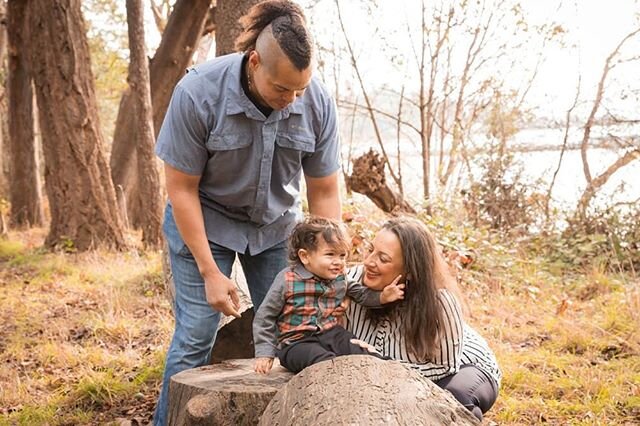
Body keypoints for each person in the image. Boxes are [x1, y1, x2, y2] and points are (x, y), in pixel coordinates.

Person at [152, 1, 341, 424]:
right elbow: (181, 190)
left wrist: (331, 258)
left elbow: (324, 190)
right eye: (282, 90)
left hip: (276, 228)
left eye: (300, 90)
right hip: (204, 220)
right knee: (196, 337)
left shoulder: (317, 103)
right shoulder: (197, 93)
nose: (292, 100)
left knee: (297, 329)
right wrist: (210, 273)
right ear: (254, 62)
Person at [344, 217, 501, 421]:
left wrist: (385, 365)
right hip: (390, 372)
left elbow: (446, 366)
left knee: (453, 402)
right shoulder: (352, 280)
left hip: (457, 367)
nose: (369, 262)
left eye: (383, 258)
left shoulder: (439, 301)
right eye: (370, 250)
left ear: (409, 271)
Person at [253, 216, 404, 374]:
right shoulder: (287, 280)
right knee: (323, 361)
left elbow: (361, 294)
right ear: (305, 256)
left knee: (357, 349)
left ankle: (389, 370)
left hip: (331, 334)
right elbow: (265, 316)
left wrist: (383, 297)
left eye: (342, 255)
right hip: (296, 343)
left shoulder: (340, 277)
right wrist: (264, 352)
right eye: (330, 254)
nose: (338, 262)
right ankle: (336, 380)